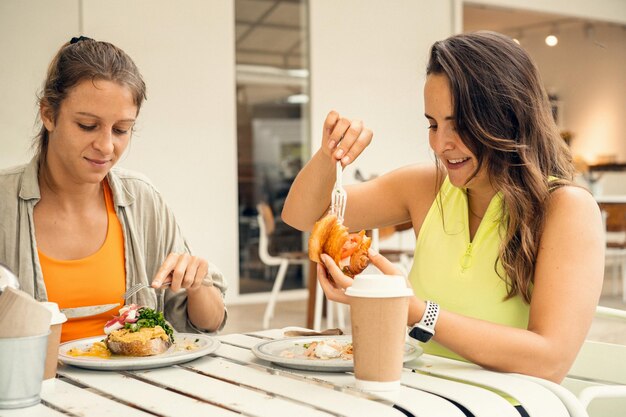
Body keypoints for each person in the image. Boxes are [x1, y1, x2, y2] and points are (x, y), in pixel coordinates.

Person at [282, 31, 604, 383]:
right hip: (420, 396)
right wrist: (331, 156)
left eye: (460, 124)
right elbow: (301, 215)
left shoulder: (565, 208)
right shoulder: (428, 188)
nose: (440, 144)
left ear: (509, 117)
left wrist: (413, 311)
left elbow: (549, 359)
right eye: (433, 124)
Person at [0, 36, 227, 342]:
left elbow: (209, 324)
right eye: (87, 125)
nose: (106, 146)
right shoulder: (4, 201)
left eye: (121, 130)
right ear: (48, 114)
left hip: (134, 386)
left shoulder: (143, 201)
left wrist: (198, 284)